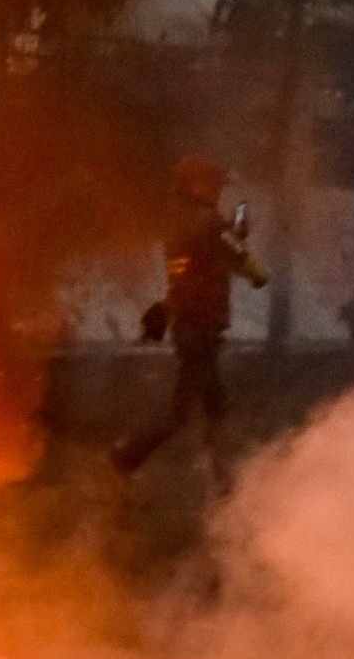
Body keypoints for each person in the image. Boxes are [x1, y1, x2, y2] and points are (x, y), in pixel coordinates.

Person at [112, 153, 267, 478]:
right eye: (213, 185)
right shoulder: (210, 221)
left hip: (190, 326)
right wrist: (258, 275)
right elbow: (239, 256)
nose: (217, 191)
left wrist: (234, 231)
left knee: (217, 411)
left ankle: (226, 482)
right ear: (195, 185)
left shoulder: (178, 221)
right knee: (181, 414)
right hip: (201, 328)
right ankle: (125, 457)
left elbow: (207, 258)